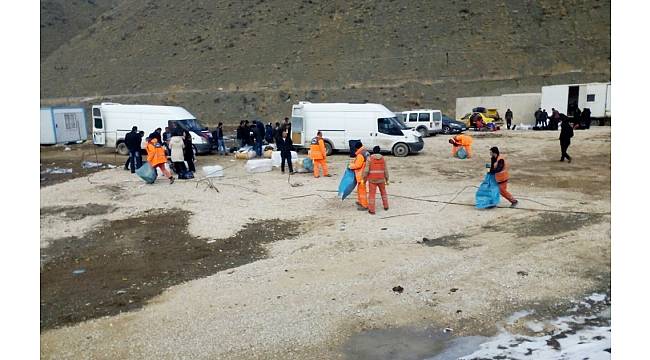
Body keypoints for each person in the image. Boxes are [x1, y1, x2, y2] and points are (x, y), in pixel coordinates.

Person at [363, 146, 390, 215]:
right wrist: (387, 179)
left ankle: (372, 210)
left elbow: (366, 171)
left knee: (372, 195)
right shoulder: (383, 159)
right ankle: (386, 206)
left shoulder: (369, 159)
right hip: (381, 179)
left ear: (373, 151)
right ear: (379, 151)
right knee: (383, 193)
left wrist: (364, 179)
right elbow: (386, 170)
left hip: (372, 180)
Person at [349, 141, 368, 211]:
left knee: (362, 190)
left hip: (361, 175)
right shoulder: (365, 152)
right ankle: (361, 202)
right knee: (360, 189)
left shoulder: (360, 155)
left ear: (356, 148)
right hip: (365, 174)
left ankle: (365, 205)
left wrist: (350, 166)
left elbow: (358, 165)